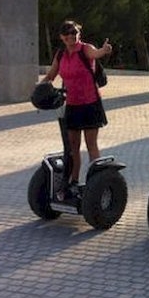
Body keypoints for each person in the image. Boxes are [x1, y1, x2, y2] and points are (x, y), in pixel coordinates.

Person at [40, 20, 112, 200]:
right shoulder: (61, 54)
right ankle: (73, 182)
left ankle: (96, 183)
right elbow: (51, 75)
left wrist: (104, 50)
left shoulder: (85, 49)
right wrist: (38, 89)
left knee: (91, 144)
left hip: (90, 103)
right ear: (62, 37)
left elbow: (97, 53)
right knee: (72, 147)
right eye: (67, 33)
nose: (71, 36)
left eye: (74, 33)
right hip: (72, 105)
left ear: (78, 34)